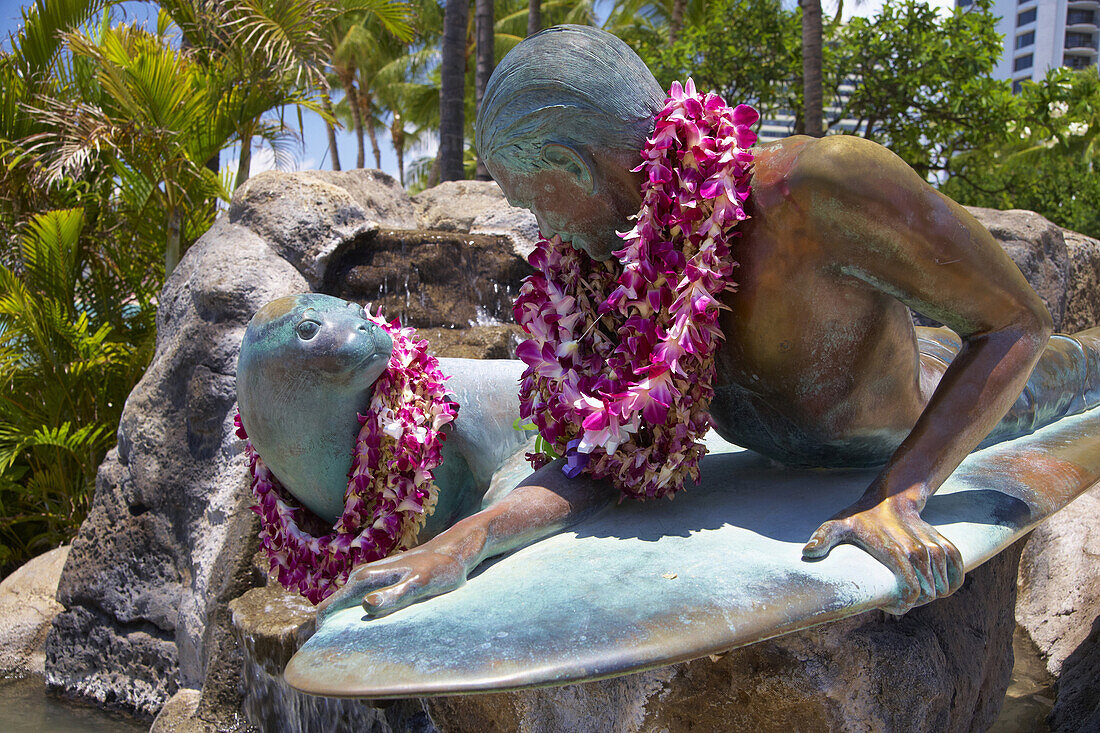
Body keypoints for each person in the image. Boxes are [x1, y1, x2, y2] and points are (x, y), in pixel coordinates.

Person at [319, 25, 1100, 619]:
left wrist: (901, 492)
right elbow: (607, 455)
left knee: (1078, 366)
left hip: (922, 396)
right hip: (819, 426)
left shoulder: (815, 187)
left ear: (576, 167)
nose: (540, 232)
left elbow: (1014, 323)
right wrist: (468, 538)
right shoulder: (609, 270)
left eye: (532, 201)